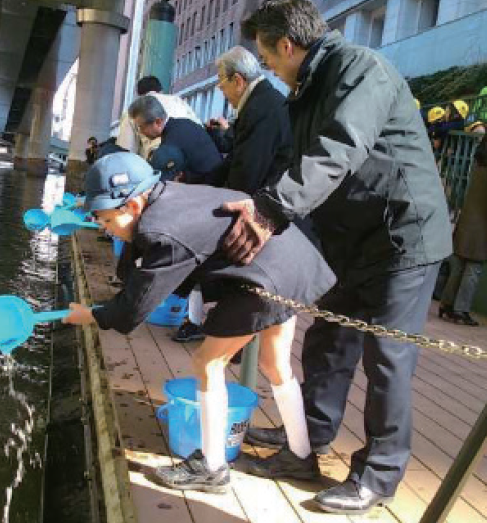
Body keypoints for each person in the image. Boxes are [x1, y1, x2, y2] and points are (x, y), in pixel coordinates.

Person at [224, 0, 452, 514]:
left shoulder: (361, 70)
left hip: (403, 239)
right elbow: (299, 161)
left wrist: (271, 210)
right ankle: (305, 446)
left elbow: (338, 148)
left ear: (287, 46)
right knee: (328, 340)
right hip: (349, 239)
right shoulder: (305, 90)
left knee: (388, 360)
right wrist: (265, 210)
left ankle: (380, 474)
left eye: (267, 57)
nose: (270, 69)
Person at [63, 152, 336, 493]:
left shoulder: (162, 229)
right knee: (274, 362)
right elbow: (142, 260)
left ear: (132, 206)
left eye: (104, 220)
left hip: (268, 277)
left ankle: (212, 468)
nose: (104, 228)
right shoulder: (166, 197)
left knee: (207, 362)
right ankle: (299, 455)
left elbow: (133, 308)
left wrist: (89, 314)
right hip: (293, 259)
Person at [129, 95, 224, 342]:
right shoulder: (185, 125)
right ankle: (193, 318)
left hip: (211, 207)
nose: (140, 133)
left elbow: (160, 189)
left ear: (157, 122)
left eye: (141, 127)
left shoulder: (170, 145)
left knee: (193, 263)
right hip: (215, 198)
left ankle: (195, 323)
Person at [209, 45, 292, 194]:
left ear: (237, 81)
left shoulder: (260, 110)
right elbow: (233, 162)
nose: (223, 93)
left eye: (222, 86)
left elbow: (244, 181)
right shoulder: (261, 102)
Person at [439, 134, 487, 326]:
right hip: (481, 227)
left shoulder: (478, 164)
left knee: (458, 266)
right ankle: (460, 310)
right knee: (473, 269)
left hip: (467, 221)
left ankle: (447, 304)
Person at [117, 76, 201, 159]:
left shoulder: (135, 111)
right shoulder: (179, 102)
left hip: (158, 160)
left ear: (139, 96)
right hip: (191, 158)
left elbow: (125, 151)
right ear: (161, 91)